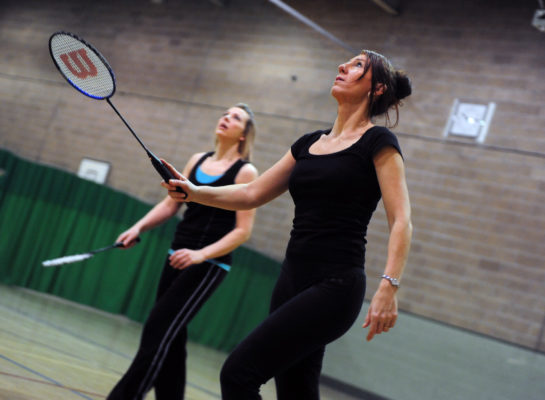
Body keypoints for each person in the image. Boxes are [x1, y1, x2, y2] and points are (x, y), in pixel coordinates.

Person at [162, 50, 412, 399]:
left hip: (335, 287)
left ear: (379, 89)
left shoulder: (378, 142)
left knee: (237, 375)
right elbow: (251, 193)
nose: (342, 66)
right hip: (291, 281)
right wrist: (193, 192)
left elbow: (401, 219)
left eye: (357, 65)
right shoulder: (309, 143)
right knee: (296, 391)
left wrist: (390, 285)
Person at [107, 103, 259, 400]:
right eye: (225, 114)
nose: (226, 118)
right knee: (172, 338)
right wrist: (138, 227)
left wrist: (201, 255)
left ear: (244, 134)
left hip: (208, 265)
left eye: (236, 117)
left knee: (158, 329)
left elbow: (243, 230)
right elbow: (171, 203)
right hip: (175, 257)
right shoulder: (197, 160)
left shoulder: (246, 172)